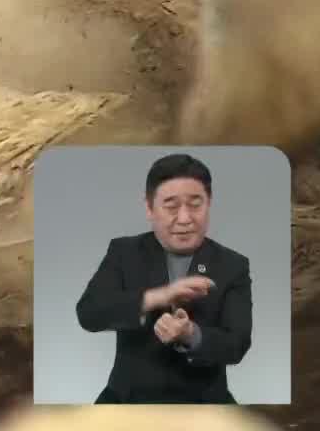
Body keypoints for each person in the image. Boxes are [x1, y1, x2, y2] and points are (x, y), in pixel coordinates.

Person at [73, 152, 253, 403]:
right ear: (149, 208)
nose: (184, 218)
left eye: (195, 204)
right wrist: (160, 296)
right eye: (171, 206)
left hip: (205, 403)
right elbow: (89, 313)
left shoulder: (232, 265)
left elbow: (237, 344)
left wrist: (191, 334)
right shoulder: (124, 252)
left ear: (209, 203)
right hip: (127, 400)